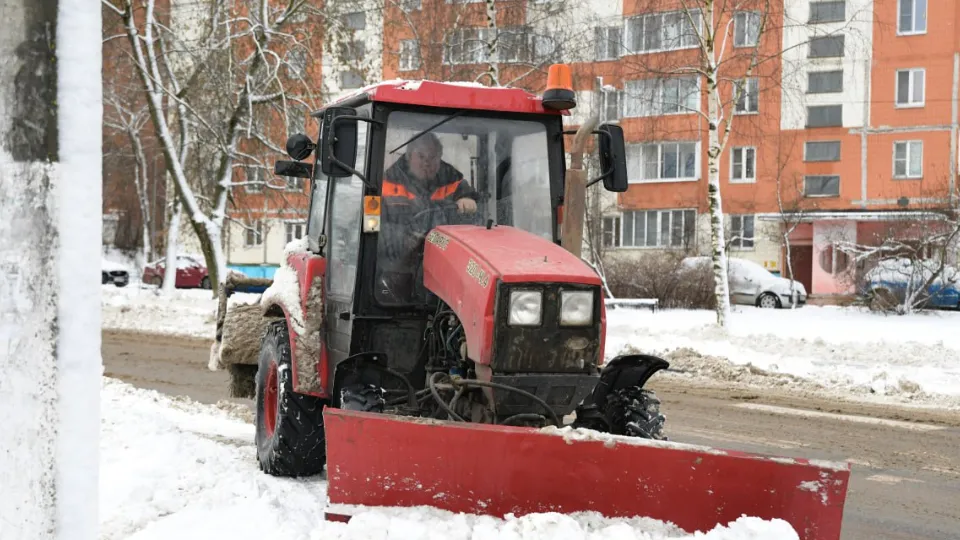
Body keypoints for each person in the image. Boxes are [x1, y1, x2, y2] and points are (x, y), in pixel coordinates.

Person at [377, 132, 479, 302]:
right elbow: (376, 228)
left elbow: (470, 196)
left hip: (444, 260)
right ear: (409, 156)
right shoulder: (388, 184)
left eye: (433, 157)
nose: (427, 163)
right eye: (421, 156)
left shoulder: (451, 180)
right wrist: (405, 238)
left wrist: (467, 199)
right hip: (399, 263)